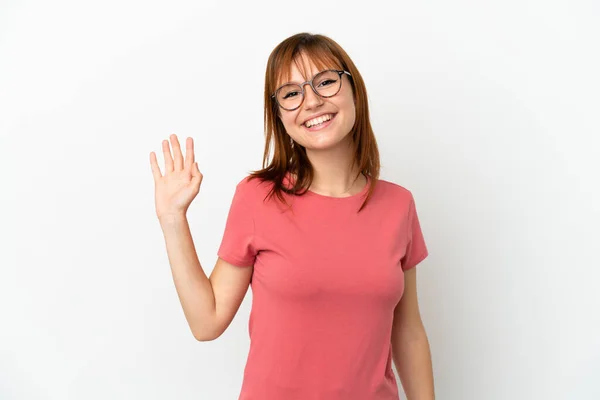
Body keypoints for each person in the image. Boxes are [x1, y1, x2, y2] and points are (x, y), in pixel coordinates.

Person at [149, 32, 435, 400]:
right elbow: (207, 321)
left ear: (354, 90)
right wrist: (173, 220)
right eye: (291, 93)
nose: (312, 101)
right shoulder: (257, 197)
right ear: (280, 116)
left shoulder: (399, 205)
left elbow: (408, 331)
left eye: (326, 82)